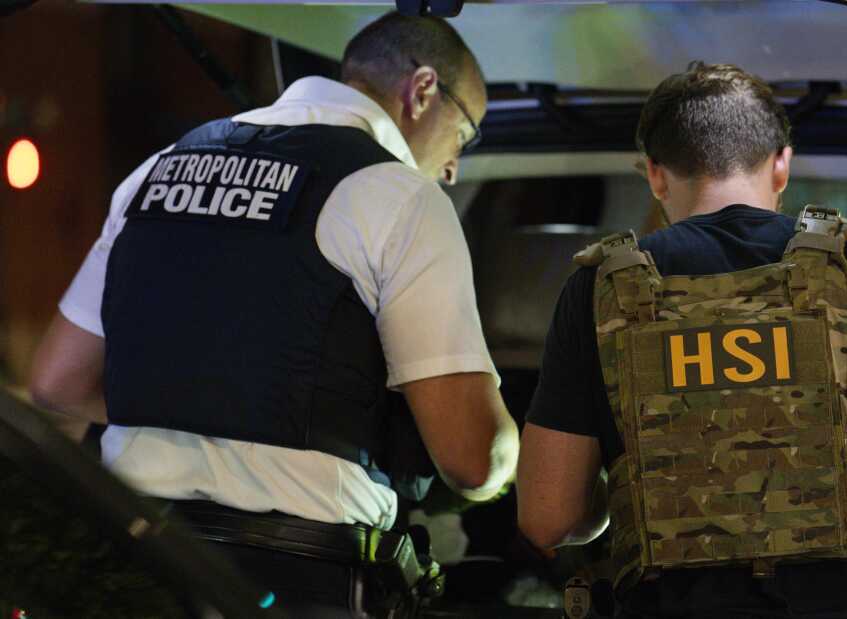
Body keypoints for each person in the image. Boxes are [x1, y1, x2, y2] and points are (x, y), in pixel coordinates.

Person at [516, 63, 847, 618]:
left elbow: (547, 517)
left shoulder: (598, 291)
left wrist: (635, 497)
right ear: (781, 164)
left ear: (654, 173)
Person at [28, 12, 518, 610]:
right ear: (421, 91)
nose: (451, 168)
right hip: (299, 581)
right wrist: (523, 465)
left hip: (134, 570)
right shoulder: (399, 197)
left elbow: (56, 383)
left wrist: (195, 403)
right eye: (464, 135)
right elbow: (471, 460)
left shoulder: (156, 171)